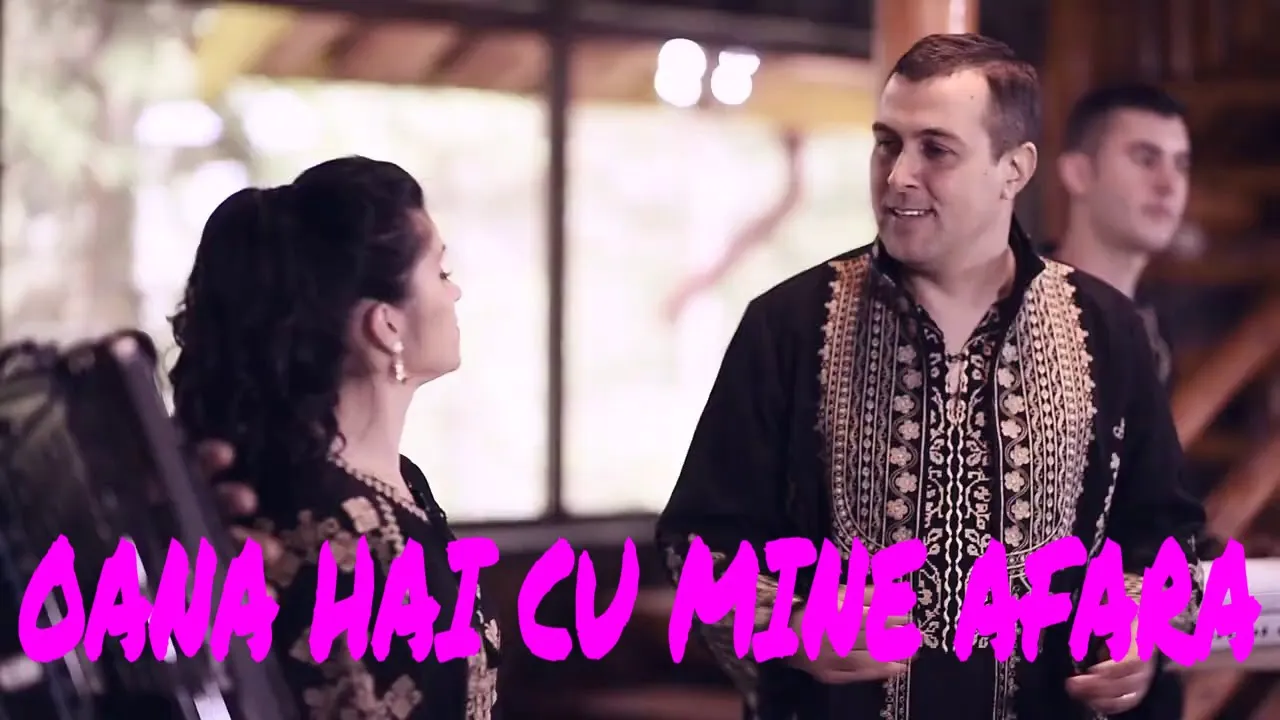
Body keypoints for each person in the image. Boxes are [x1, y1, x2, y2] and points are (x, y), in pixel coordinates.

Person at [655, 34, 1206, 720]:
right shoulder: (789, 326)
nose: (898, 175)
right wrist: (791, 628)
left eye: (936, 150)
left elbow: (1166, 540)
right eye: (887, 143)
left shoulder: (1107, 331)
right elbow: (698, 548)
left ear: (1014, 169)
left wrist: (1141, 635)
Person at [172, 156, 501, 720]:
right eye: (442, 273)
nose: (457, 293)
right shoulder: (313, 521)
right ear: (386, 324)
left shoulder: (401, 481)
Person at [1052, 84, 1192, 389]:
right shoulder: (1018, 311)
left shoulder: (1155, 331)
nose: (1169, 185)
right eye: (1146, 159)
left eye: (1181, 165)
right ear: (1078, 174)